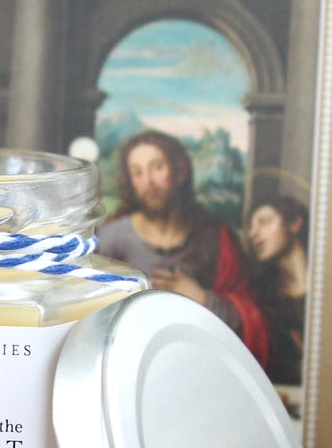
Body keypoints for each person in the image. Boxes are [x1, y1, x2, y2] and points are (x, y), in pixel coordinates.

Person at [96, 130, 268, 367]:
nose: (148, 181)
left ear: (179, 172)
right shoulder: (110, 239)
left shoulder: (216, 238)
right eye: (137, 172)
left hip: (199, 366)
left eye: (157, 167)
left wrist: (204, 300)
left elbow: (252, 320)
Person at [247, 195, 309, 385]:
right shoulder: (261, 294)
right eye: (251, 226)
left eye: (264, 222)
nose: (253, 234)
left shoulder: (328, 282)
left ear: (294, 223)